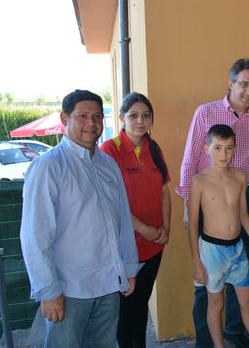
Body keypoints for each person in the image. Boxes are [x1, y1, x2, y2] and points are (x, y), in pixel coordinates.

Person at [20, 89, 139, 348]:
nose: (92, 123)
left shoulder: (108, 165)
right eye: (82, 115)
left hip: (109, 284)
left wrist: (129, 267)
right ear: (65, 119)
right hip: (69, 289)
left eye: (97, 116)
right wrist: (48, 291)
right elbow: (35, 235)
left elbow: (122, 223)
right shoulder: (49, 166)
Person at [176, 58, 249, 348]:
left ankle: (233, 332)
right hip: (208, 201)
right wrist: (188, 202)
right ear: (230, 84)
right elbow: (190, 159)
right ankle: (206, 341)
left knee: (239, 270)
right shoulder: (205, 113)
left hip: (244, 200)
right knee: (207, 280)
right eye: (243, 84)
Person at [187, 124, 249, 348]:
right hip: (212, 250)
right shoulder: (199, 181)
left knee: (248, 301)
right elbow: (193, 224)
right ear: (207, 149)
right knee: (216, 304)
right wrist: (197, 262)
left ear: (235, 149)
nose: (223, 154)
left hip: (237, 249)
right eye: (217, 148)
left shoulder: (240, 177)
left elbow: (244, 215)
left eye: (229, 148)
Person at [100, 92, 171, 348]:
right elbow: (111, 202)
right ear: (121, 118)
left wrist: (165, 228)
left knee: (141, 304)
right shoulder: (110, 150)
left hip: (154, 245)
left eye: (146, 115)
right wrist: (144, 229)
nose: (140, 121)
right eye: (133, 116)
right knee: (125, 310)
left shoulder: (154, 148)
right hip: (125, 248)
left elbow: (164, 190)